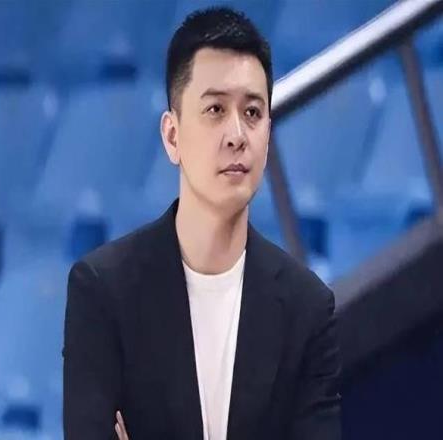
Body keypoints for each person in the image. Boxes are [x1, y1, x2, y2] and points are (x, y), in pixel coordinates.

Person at [63, 6, 341, 440]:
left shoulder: (307, 308)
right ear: (172, 135)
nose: (237, 135)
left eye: (253, 113)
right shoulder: (103, 292)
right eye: (215, 109)